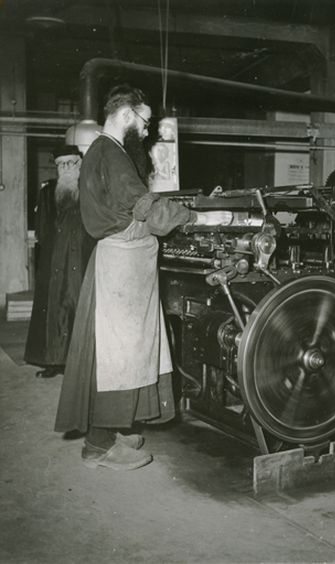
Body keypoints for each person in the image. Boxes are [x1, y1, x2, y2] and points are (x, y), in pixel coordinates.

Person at [54, 84, 231, 471]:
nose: (148, 130)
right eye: (146, 121)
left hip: (124, 265)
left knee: (124, 354)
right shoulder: (112, 155)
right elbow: (144, 207)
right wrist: (199, 218)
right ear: (125, 115)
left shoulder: (104, 152)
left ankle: (111, 430)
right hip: (122, 267)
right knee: (118, 356)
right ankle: (98, 446)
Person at [25, 145, 94, 378]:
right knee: (54, 310)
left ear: (80, 164)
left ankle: (79, 365)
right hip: (54, 260)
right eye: (61, 164)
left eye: (71, 163)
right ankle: (54, 361)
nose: (65, 168)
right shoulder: (48, 192)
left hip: (82, 259)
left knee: (79, 307)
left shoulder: (90, 189)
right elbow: (42, 229)